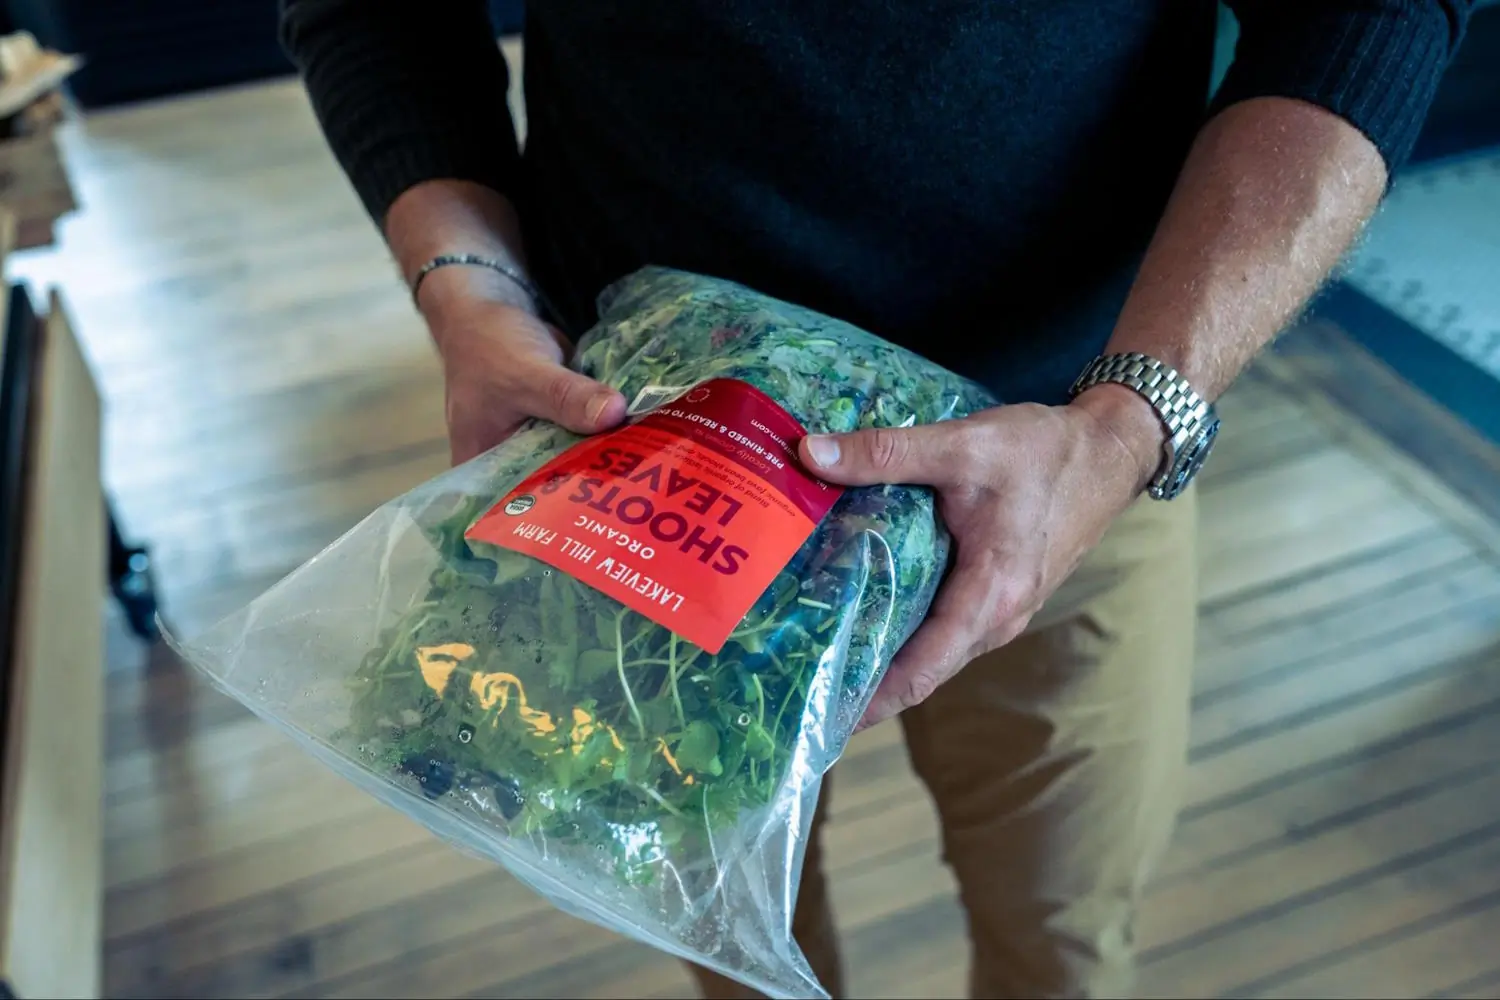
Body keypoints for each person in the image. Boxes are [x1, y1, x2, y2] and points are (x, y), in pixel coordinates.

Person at [279, 2, 1471, 996]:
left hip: (1058, 459)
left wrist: (1127, 425)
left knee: (1062, 932)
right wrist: (465, 282)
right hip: (654, 445)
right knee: (723, 922)